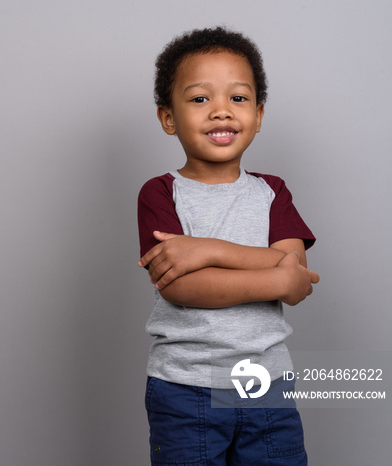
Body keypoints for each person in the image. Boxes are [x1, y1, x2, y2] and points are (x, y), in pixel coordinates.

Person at [137, 27, 320, 465]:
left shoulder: (272, 192)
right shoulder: (160, 193)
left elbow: (297, 283)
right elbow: (181, 288)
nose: (221, 111)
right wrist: (274, 273)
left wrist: (208, 251)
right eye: (200, 99)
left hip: (266, 384)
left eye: (237, 99)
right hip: (187, 389)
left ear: (258, 114)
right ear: (168, 117)